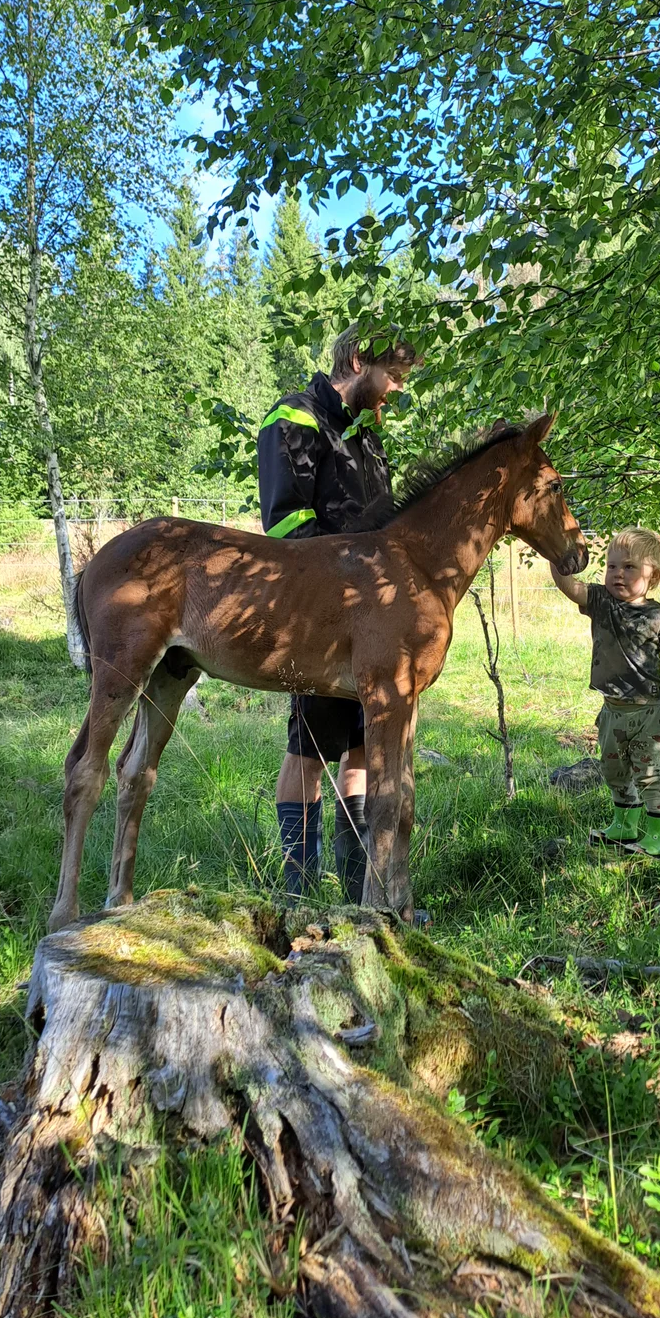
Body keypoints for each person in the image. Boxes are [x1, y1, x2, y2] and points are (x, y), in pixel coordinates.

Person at [257, 321, 419, 901]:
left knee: (358, 756)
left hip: (374, 630)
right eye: (394, 376)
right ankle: (296, 896)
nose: (398, 390)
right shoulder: (295, 417)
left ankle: (355, 900)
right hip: (321, 625)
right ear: (357, 359)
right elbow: (285, 524)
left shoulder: (369, 437)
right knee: (306, 756)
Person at [549, 527, 660, 857]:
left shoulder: (659, 616)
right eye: (612, 566)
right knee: (614, 771)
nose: (618, 574)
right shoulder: (600, 601)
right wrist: (555, 558)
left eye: (629, 567)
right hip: (612, 711)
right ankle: (624, 826)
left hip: (649, 713)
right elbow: (571, 588)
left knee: (650, 773)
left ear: (652, 575)